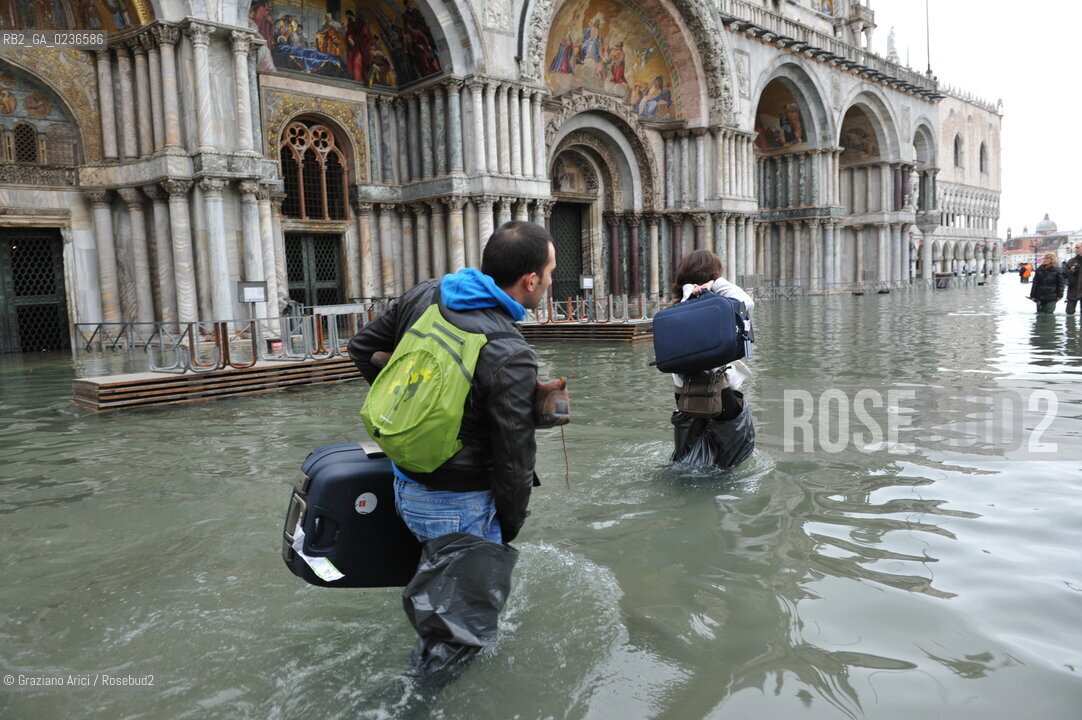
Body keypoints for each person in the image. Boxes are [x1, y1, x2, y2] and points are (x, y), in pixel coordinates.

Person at [347, 221, 556, 676]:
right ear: (531, 280)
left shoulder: (427, 294)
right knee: (456, 644)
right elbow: (514, 460)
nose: (551, 281)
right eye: (551, 272)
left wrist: (413, 414)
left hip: (405, 485)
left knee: (439, 606)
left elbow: (362, 347)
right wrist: (510, 527)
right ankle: (400, 705)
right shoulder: (509, 349)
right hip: (461, 507)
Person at [668, 250, 756, 468]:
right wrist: (715, 283)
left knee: (689, 456)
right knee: (730, 456)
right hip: (719, 392)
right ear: (712, 276)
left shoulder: (674, 312)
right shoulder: (719, 310)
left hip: (684, 394)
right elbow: (747, 302)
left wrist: (691, 291)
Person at [1064, 242, 1082, 315]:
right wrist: (1071, 270)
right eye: (1075, 248)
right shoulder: (1071, 261)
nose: (1075, 249)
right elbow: (1064, 274)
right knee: (1069, 312)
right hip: (1073, 290)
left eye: (1077, 248)